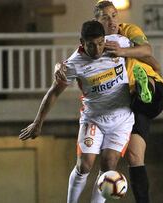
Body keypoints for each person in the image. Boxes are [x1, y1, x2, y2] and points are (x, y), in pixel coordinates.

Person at [56, 1, 163, 202]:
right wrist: (59, 66)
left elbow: (150, 56)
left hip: (149, 91)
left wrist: (123, 52)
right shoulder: (94, 44)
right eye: (106, 18)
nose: (113, 21)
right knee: (134, 156)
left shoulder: (126, 33)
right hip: (127, 105)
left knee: (146, 90)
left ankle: (146, 85)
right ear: (96, 22)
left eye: (115, 15)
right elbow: (74, 60)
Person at [19, 20, 134, 203]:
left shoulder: (118, 43)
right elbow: (53, 93)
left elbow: (145, 50)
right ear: (82, 42)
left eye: (100, 43)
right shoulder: (74, 64)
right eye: (91, 45)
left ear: (105, 39)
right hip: (93, 119)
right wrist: (38, 122)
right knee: (85, 164)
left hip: (121, 119)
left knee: (109, 164)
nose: (97, 49)